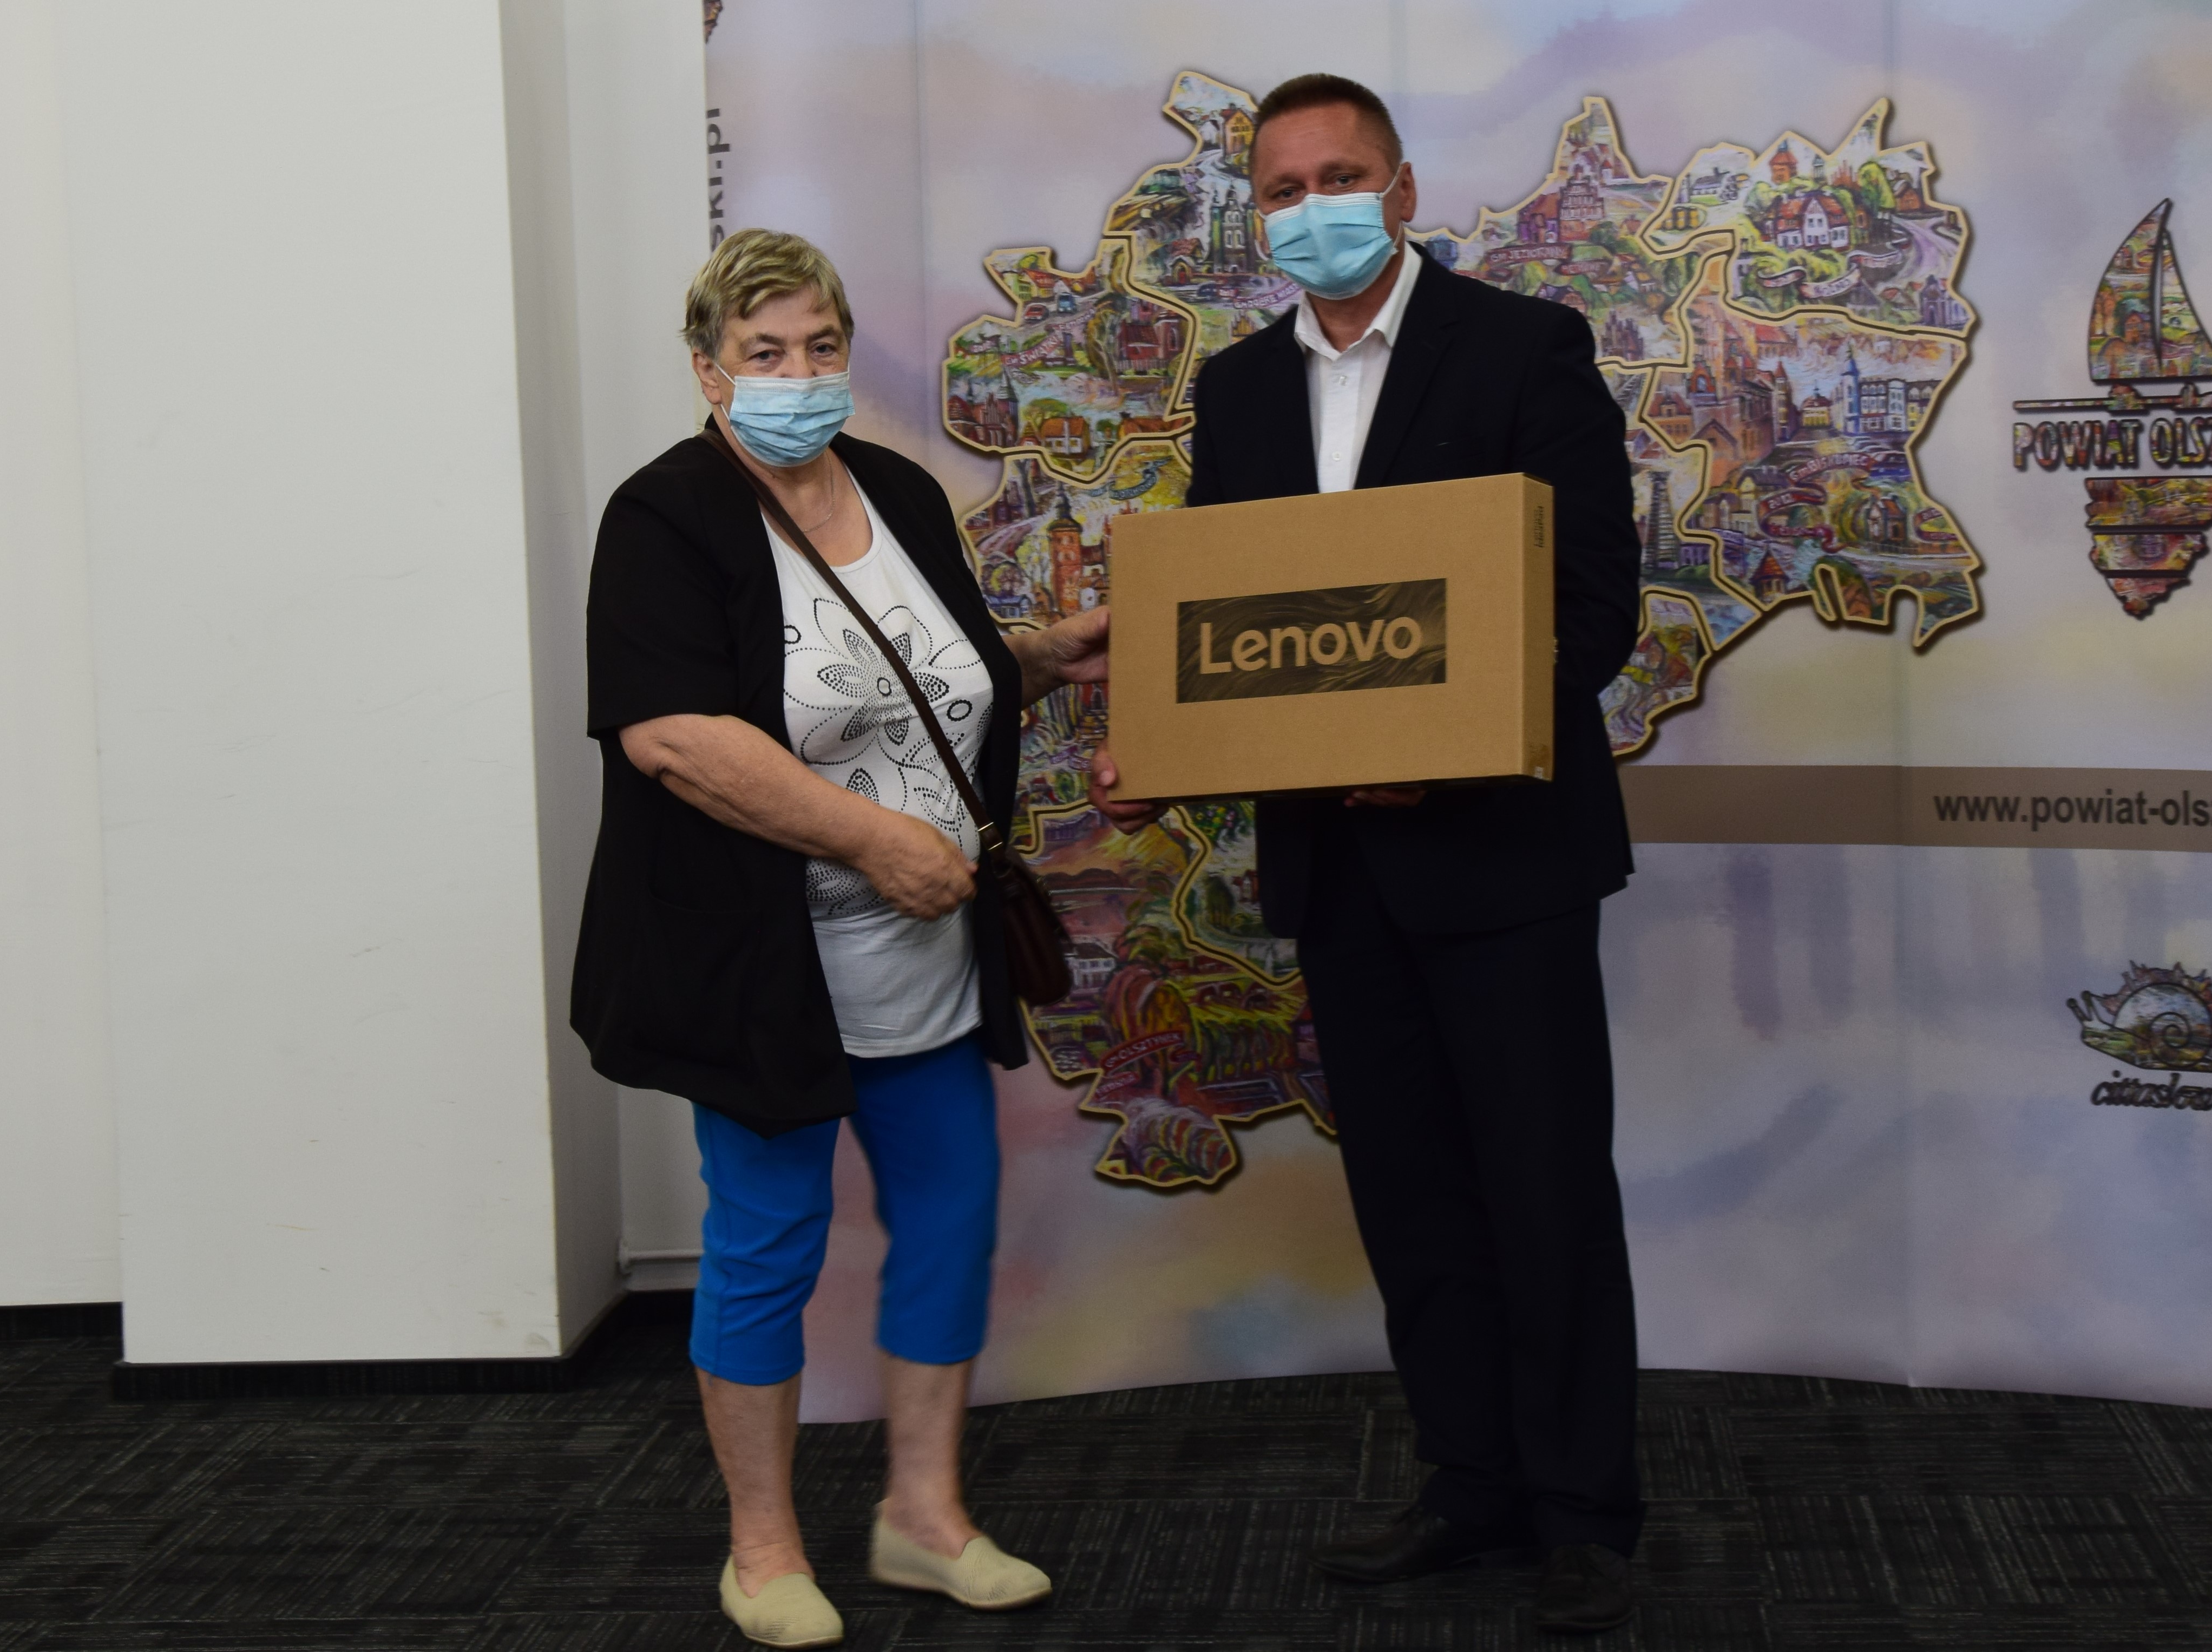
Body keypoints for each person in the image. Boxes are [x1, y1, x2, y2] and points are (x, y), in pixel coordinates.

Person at [1092, 75, 1645, 1635]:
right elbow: (1226, 630)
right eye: (1282, 189)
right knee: (1409, 1199)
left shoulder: (1524, 349)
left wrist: (1450, 743)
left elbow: (1593, 608)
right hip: (1337, 869)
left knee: (1542, 1190)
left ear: (1401, 191)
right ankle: (1470, 1485)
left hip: (1503, 863)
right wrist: (1163, 755)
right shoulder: (1236, 391)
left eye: (1340, 177)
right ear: (1255, 215)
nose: (1312, 209)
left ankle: (1583, 1514)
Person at [574, 228, 1107, 1648]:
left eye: (819, 346)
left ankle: (924, 1517)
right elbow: (673, 737)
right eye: (764, 352)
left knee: (950, 1220)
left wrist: (1040, 659)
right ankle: (762, 1551)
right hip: (765, 970)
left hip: (929, 962)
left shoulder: (900, 491)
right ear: (708, 369)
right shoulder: (664, 517)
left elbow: (931, 678)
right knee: (768, 1243)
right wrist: (875, 841)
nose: (797, 373)